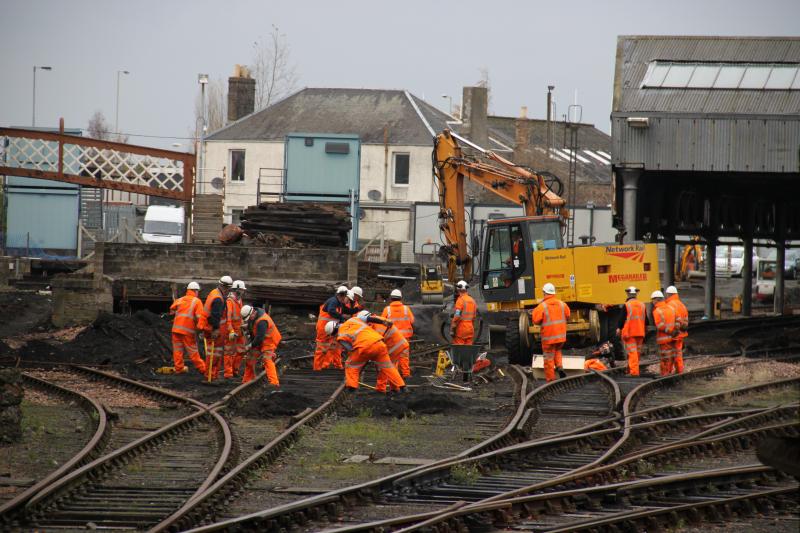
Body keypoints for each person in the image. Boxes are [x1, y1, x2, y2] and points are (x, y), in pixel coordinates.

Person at [328, 315, 405, 393]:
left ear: (334, 332)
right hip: (379, 343)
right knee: (388, 367)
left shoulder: (340, 337)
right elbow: (369, 318)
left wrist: (364, 359)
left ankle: (352, 387)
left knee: (350, 364)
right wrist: (382, 322)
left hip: (364, 348)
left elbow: (351, 349)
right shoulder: (353, 319)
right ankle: (402, 386)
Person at [531, 282, 570, 381]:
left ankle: (551, 381)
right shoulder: (562, 304)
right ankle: (560, 367)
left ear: (544, 293)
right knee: (557, 350)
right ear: (553, 293)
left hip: (549, 338)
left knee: (548, 360)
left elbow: (535, 320)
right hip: (561, 337)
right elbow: (568, 315)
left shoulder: (542, 306)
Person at [366, 310, 411, 392]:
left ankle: (381, 388)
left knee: (385, 366)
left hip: (394, 346)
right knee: (392, 366)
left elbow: (377, 343)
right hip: (399, 344)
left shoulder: (375, 326)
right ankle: (395, 388)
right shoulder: (377, 321)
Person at [169, 281, 207, 375]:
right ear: (195, 291)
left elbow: (172, 308)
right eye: (198, 291)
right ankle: (203, 369)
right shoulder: (197, 301)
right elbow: (200, 318)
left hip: (176, 330)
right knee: (193, 352)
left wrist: (176, 313)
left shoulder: (180, 299)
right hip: (187, 331)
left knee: (178, 350)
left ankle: (179, 369)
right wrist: (202, 329)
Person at [241, 304, 281, 385]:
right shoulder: (254, 316)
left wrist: (249, 346)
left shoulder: (262, 321)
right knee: (250, 359)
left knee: (267, 359)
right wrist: (247, 326)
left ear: (252, 313)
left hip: (270, 341)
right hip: (260, 340)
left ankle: (274, 383)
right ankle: (247, 381)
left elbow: (259, 337)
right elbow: (253, 329)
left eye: (249, 318)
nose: (249, 320)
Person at [203, 275, 233, 380]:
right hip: (215, 329)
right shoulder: (218, 299)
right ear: (227, 287)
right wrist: (215, 329)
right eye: (228, 288)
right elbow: (215, 315)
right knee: (214, 354)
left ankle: (213, 375)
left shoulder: (215, 293)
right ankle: (210, 375)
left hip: (213, 327)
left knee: (215, 353)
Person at [314, 286, 351, 370]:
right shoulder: (333, 301)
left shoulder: (338, 303)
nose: (346, 300)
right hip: (324, 329)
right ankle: (317, 368)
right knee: (322, 349)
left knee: (331, 347)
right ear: (342, 295)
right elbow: (331, 311)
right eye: (346, 297)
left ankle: (324, 366)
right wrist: (342, 316)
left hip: (330, 328)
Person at [617, 286, 646, 376]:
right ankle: (630, 370)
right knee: (636, 353)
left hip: (630, 333)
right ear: (636, 294)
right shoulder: (642, 305)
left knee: (632, 353)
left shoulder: (627, 305)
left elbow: (621, 319)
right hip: (640, 332)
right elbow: (647, 320)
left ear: (628, 294)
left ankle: (634, 373)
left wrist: (619, 328)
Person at [651, 290, 677, 376]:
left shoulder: (657, 311)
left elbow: (660, 325)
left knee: (665, 357)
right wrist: (675, 331)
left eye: (652, 300)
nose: (652, 302)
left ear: (656, 300)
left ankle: (665, 374)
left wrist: (669, 331)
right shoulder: (671, 308)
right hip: (673, 337)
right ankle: (669, 372)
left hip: (664, 338)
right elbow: (677, 321)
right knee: (672, 355)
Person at [224, 280, 246, 378]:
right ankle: (228, 373)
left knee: (241, 351)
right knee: (229, 352)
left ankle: (235, 370)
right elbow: (228, 318)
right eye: (241, 290)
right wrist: (231, 331)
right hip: (232, 330)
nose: (243, 291)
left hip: (240, 330)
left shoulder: (239, 300)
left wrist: (244, 326)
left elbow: (241, 315)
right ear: (237, 289)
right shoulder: (230, 301)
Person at [665, 285, 688, 374]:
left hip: (673, 333)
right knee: (678, 353)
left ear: (668, 294)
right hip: (681, 333)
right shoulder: (682, 305)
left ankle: (669, 371)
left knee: (670, 354)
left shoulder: (669, 305)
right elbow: (686, 320)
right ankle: (678, 370)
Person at [450, 280, 477, 345]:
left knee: (459, 349)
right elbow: (474, 316)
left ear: (458, 289)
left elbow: (457, 315)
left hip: (461, 328)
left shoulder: (460, 300)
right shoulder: (472, 300)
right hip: (470, 328)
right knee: (468, 348)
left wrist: (452, 327)